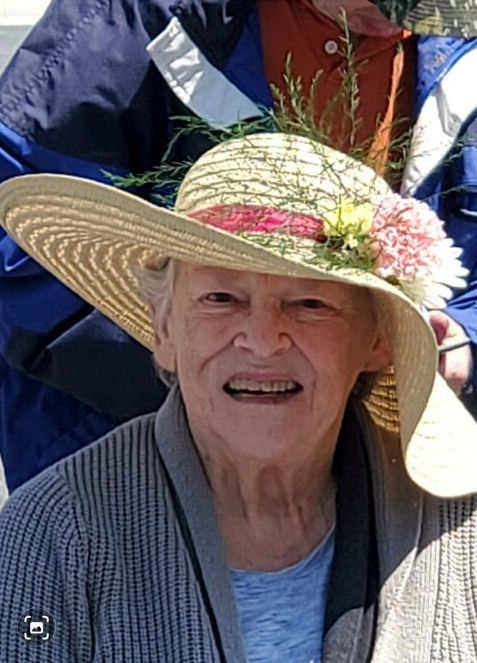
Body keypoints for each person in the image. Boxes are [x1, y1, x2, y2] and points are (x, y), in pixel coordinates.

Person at [0, 131, 477, 662]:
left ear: (376, 340)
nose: (262, 340)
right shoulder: (50, 534)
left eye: (310, 304)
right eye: (221, 298)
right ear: (164, 330)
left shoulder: (459, 530)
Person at [0, 0, 476, 492]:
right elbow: (18, 236)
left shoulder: (459, 33)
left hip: (385, 476)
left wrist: (464, 335)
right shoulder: (136, 19)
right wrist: (206, 374)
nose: (410, 19)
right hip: (122, 469)